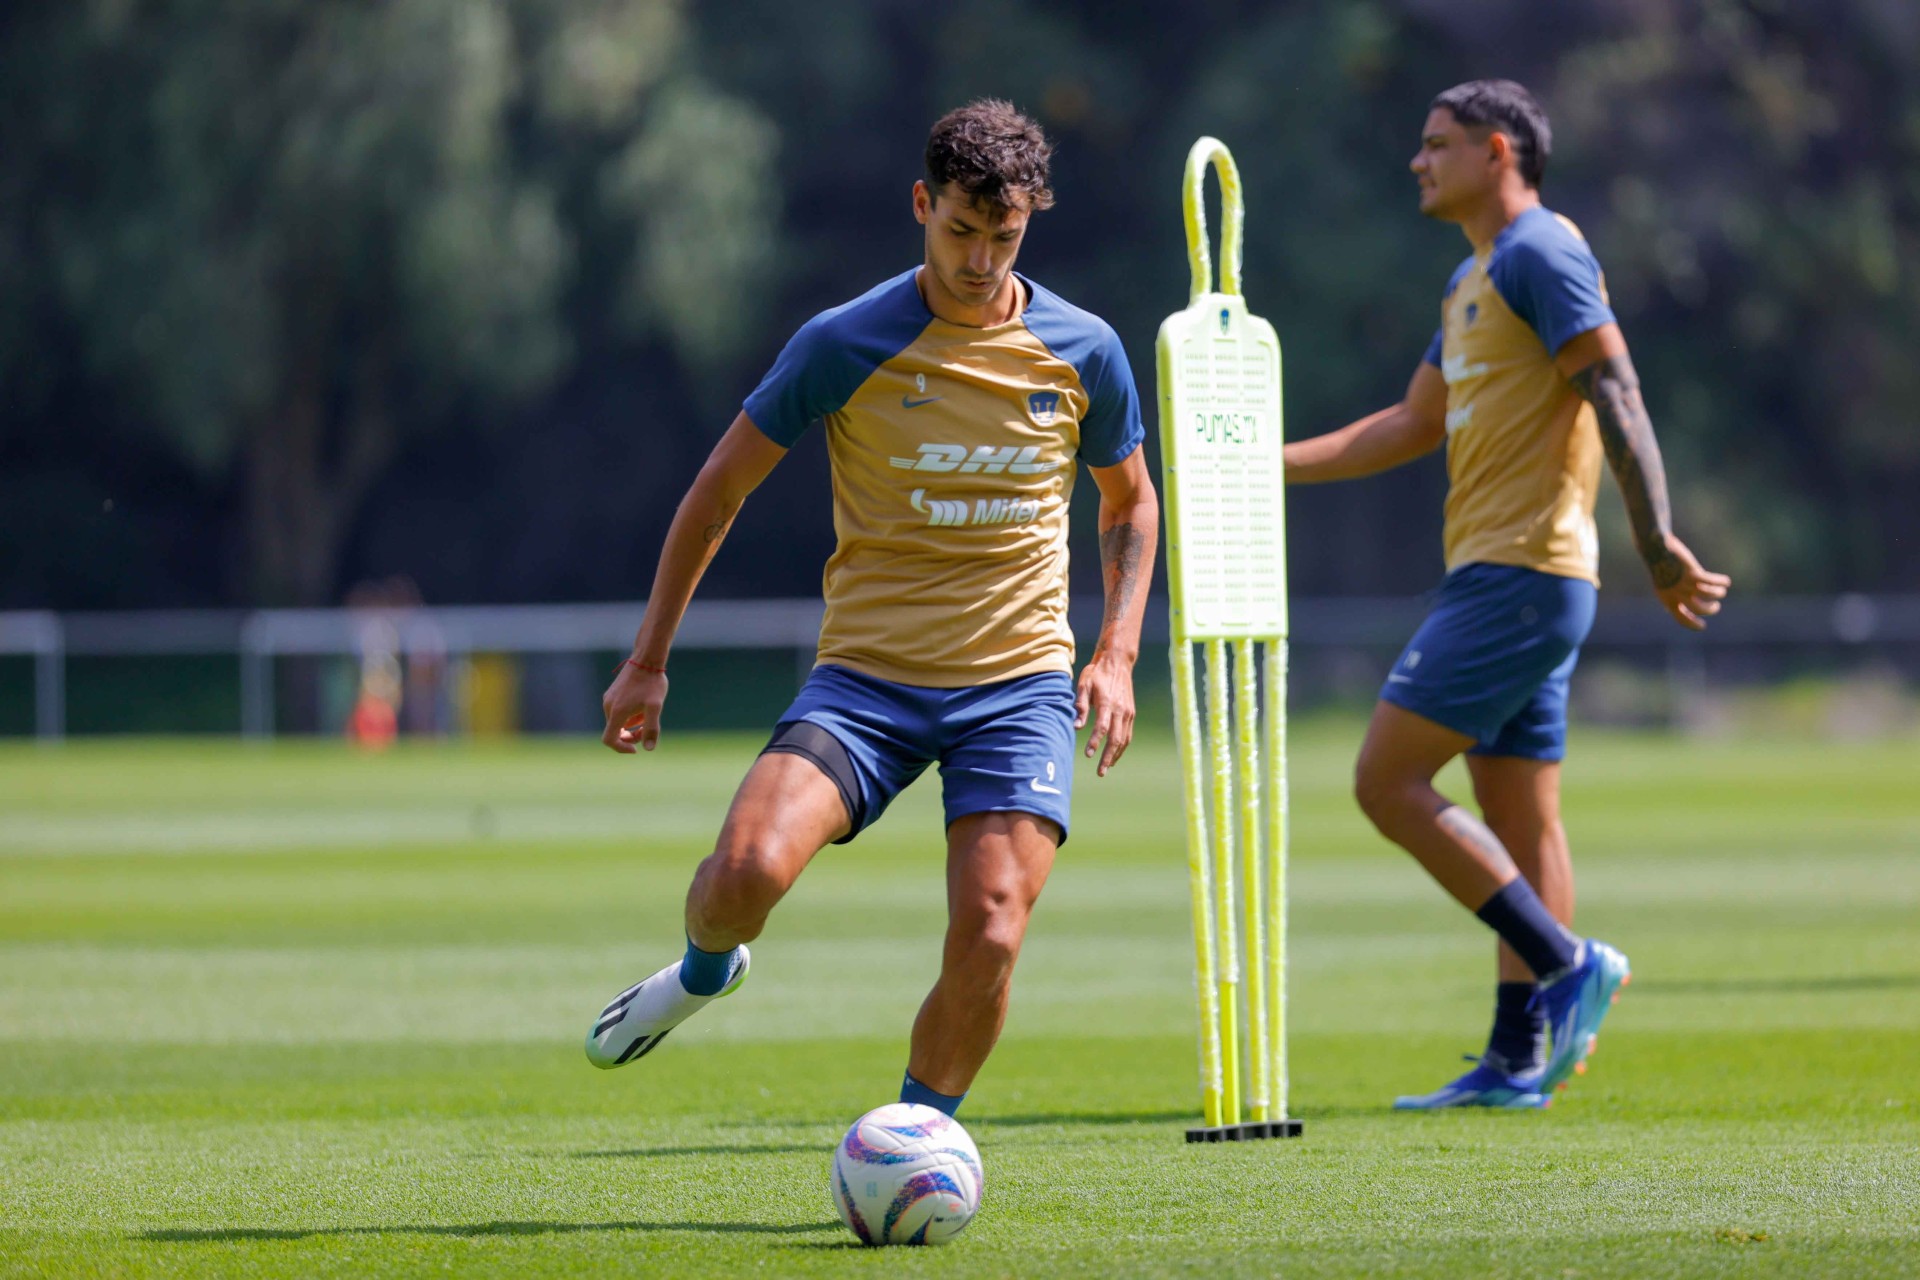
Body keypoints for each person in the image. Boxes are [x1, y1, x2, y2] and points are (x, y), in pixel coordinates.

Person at [584, 100, 1158, 1119]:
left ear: (1030, 221)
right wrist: (648, 659)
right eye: (962, 231)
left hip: (1017, 686)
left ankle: (915, 1141)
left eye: (1005, 237)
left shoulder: (1086, 350)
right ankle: (706, 971)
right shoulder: (844, 341)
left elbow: (1130, 502)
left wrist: (1115, 651)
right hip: (866, 685)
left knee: (993, 928)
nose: (980, 261)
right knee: (742, 875)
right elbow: (719, 492)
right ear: (922, 205)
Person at [1282, 80, 1730, 1108]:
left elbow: (1614, 388)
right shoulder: (1471, 276)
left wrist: (1655, 539)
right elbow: (1411, 423)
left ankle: (1567, 961)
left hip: (1519, 575)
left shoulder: (1540, 252)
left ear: (1497, 152)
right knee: (1521, 819)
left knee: (1385, 780)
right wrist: (1267, 466)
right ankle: (1519, 1057)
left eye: (1436, 144)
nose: (1417, 160)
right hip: (1512, 575)